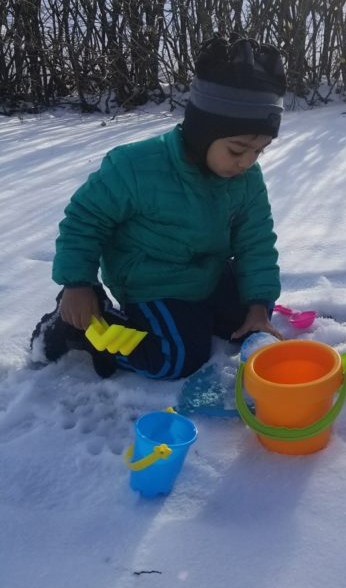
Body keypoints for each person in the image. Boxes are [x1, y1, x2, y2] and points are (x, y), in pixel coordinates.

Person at [30, 36, 287, 380]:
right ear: (203, 131)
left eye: (260, 151)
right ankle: (78, 330)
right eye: (238, 149)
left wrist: (258, 305)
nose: (247, 162)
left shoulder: (246, 179)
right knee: (177, 357)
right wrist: (78, 283)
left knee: (249, 326)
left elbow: (255, 242)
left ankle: (211, 315)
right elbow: (84, 220)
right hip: (152, 280)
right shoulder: (137, 167)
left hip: (208, 273)